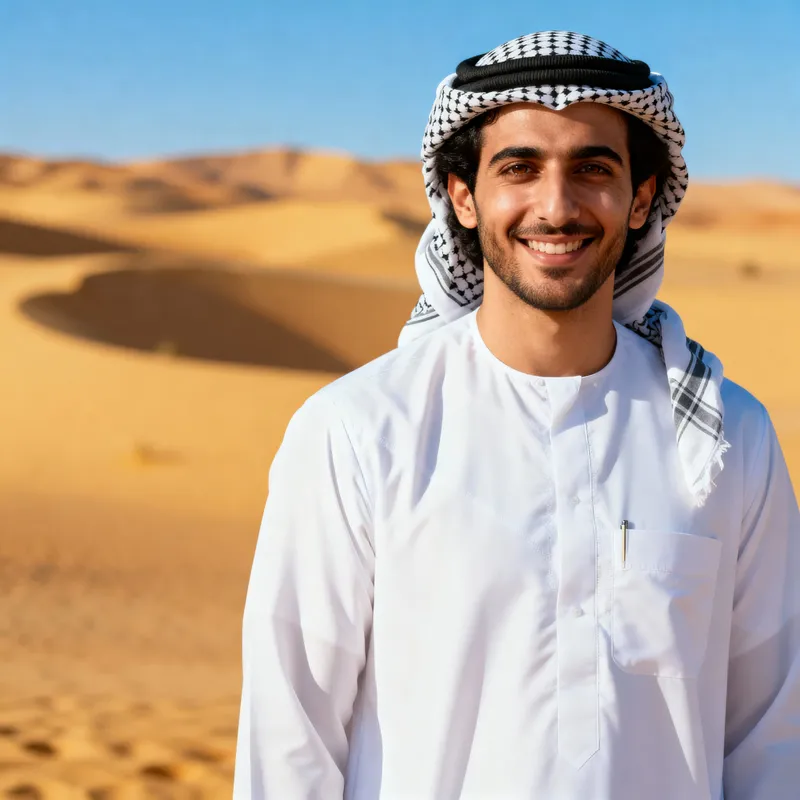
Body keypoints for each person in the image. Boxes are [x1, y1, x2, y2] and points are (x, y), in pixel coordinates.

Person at [233, 31, 800, 800]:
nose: (556, 207)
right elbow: (288, 742)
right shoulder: (359, 431)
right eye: (519, 168)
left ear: (640, 198)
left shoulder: (728, 440)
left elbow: (773, 740)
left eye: (593, 169)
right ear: (464, 198)